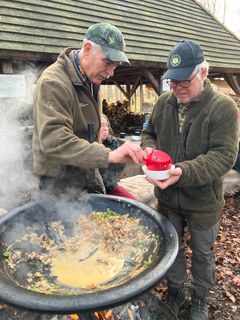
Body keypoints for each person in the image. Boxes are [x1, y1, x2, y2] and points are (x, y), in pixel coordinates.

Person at [141, 40, 239, 319]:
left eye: (185, 80)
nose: (178, 87)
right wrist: (149, 150)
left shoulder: (222, 108)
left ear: (203, 72)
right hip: (168, 198)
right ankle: (175, 291)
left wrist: (182, 171)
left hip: (204, 201)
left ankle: (200, 298)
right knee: (171, 248)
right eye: (173, 81)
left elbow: (224, 156)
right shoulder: (163, 103)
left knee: (203, 254)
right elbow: (148, 133)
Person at [32, 22, 147, 195]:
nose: (111, 72)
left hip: (88, 175)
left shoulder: (90, 81)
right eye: (108, 62)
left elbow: (92, 136)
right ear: (87, 49)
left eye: (115, 66)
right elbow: (54, 141)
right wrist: (108, 156)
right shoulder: (53, 82)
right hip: (59, 187)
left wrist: (109, 169)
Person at [99, 114, 137, 199]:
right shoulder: (86, 146)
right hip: (94, 189)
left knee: (134, 203)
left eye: (107, 125)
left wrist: (122, 159)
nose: (106, 128)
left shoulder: (112, 142)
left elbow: (118, 169)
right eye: (101, 125)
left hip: (110, 187)